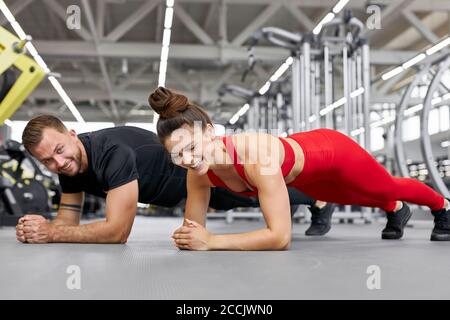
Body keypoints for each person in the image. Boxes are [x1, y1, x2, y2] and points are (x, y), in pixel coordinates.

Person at [147, 87, 450, 251]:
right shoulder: (197, 172)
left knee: (385, 186)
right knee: (352, 197)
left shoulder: (255, 155)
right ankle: (395, 209)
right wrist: (189, 238)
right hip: (307, 179)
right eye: (176, 154)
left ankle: (441, 206)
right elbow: (192, 231)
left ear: (210, 131)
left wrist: (213, 242)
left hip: (332, 152)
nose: (186, 159)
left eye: (190, 147)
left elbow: (280, 238)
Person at [15, 115, 331, 244]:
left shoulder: (111, 153)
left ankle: (318, 198)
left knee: (249, 194)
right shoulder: (68, 166)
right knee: (235, 201)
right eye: (47, 161)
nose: (57, 162)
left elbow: (117, 233)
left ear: (72, 135)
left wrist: (53, 235)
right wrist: (40, 228)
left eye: (59, 150)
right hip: (175, 191)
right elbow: (68, 216)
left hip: (193, 171)